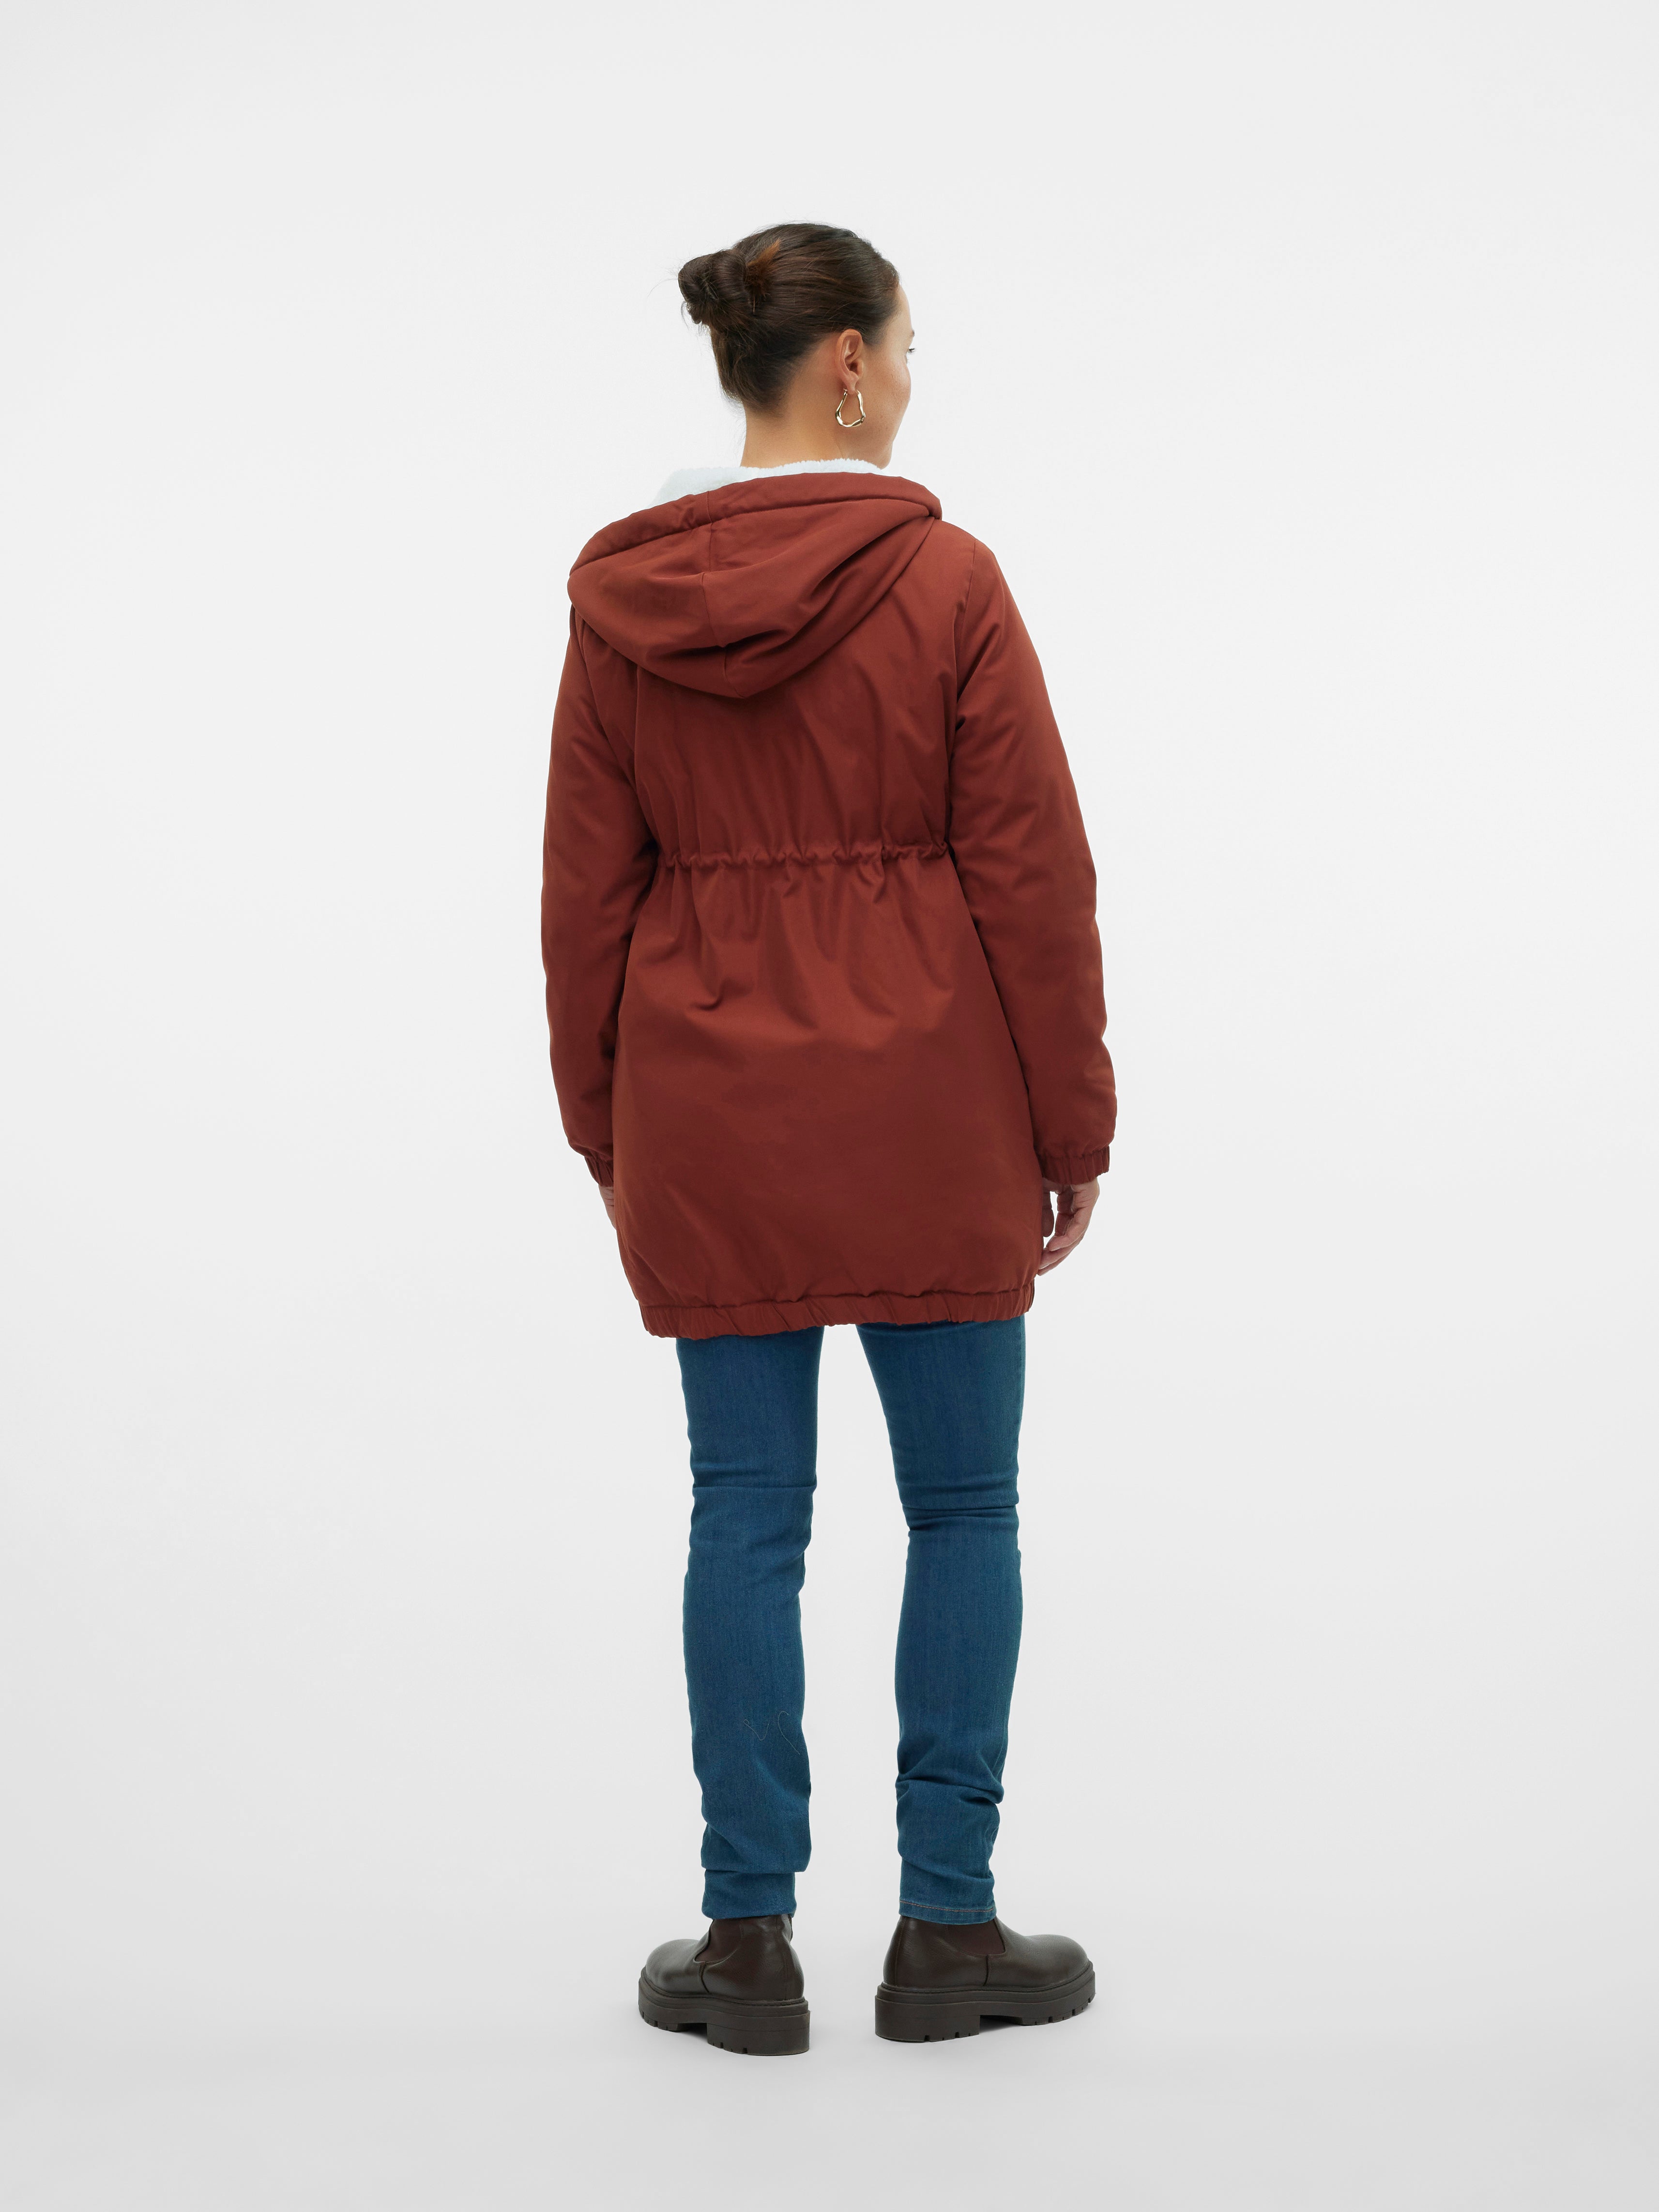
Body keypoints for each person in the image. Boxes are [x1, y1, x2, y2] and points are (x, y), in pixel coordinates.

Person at [541, 223, 1116, 2056]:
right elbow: (1033, 880)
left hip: (708, 1113)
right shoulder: (947, 581)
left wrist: (607, 1127)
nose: (916, 378)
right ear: (848, 363)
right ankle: (946, 1931)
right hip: (935, 1107)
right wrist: (1072, 1120)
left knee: (743, 1513)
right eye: (911, 345)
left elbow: (582, 897)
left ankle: (746, 1945)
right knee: (964, 1509)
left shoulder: (623, 605)